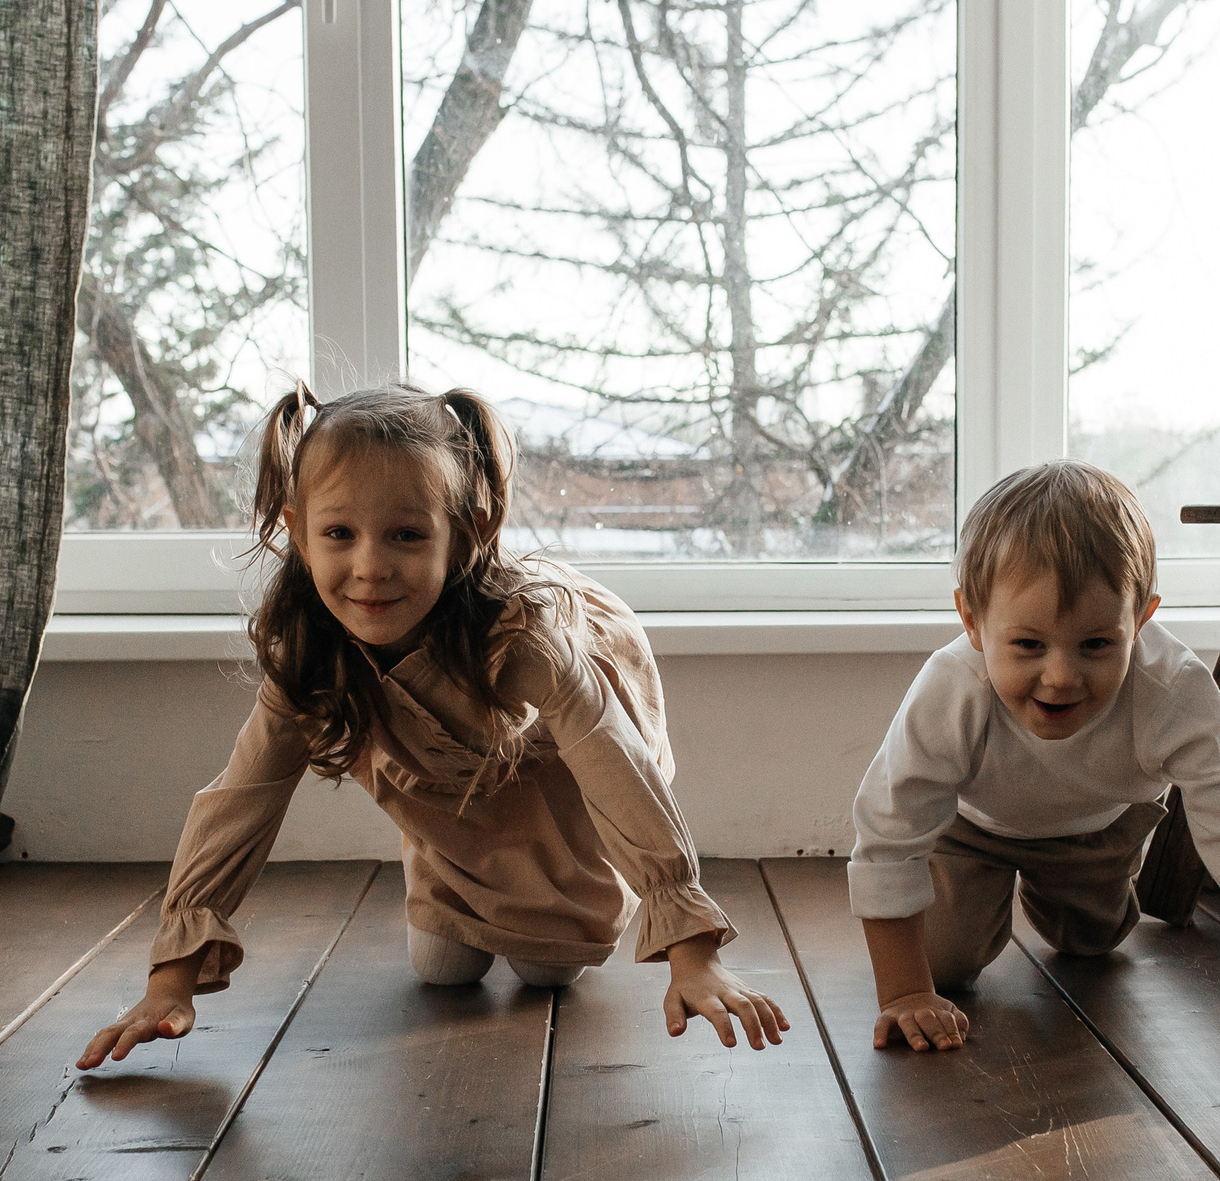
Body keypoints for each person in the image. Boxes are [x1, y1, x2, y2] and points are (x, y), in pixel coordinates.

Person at [79, 381, 788, 1070]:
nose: (370, 567)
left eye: (407, 535)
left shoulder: (520, 636)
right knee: (442, 967)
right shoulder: (312, 651)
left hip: (548, 787)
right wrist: (170, 976)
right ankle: (460, 881)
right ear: (296, 532)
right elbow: (243, 796)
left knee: (547, 968)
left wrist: (693, 948)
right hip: (447, 795)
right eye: (338, 533)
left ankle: (553, 905)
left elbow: (613, 759)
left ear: (467, 532)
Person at [845, 460, 1220, 1052]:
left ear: (1141, 620)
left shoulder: (1173, 690)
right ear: (972, 620)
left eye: (1096, 644)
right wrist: (905, 994)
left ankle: (1075, 891)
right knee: (942, 965)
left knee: (1093, 942)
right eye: (1028, 645)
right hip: (971, 829)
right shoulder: (950, 689)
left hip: (1099, 829)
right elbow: (891, 829)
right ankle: (980, 895)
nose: (1061, 676)